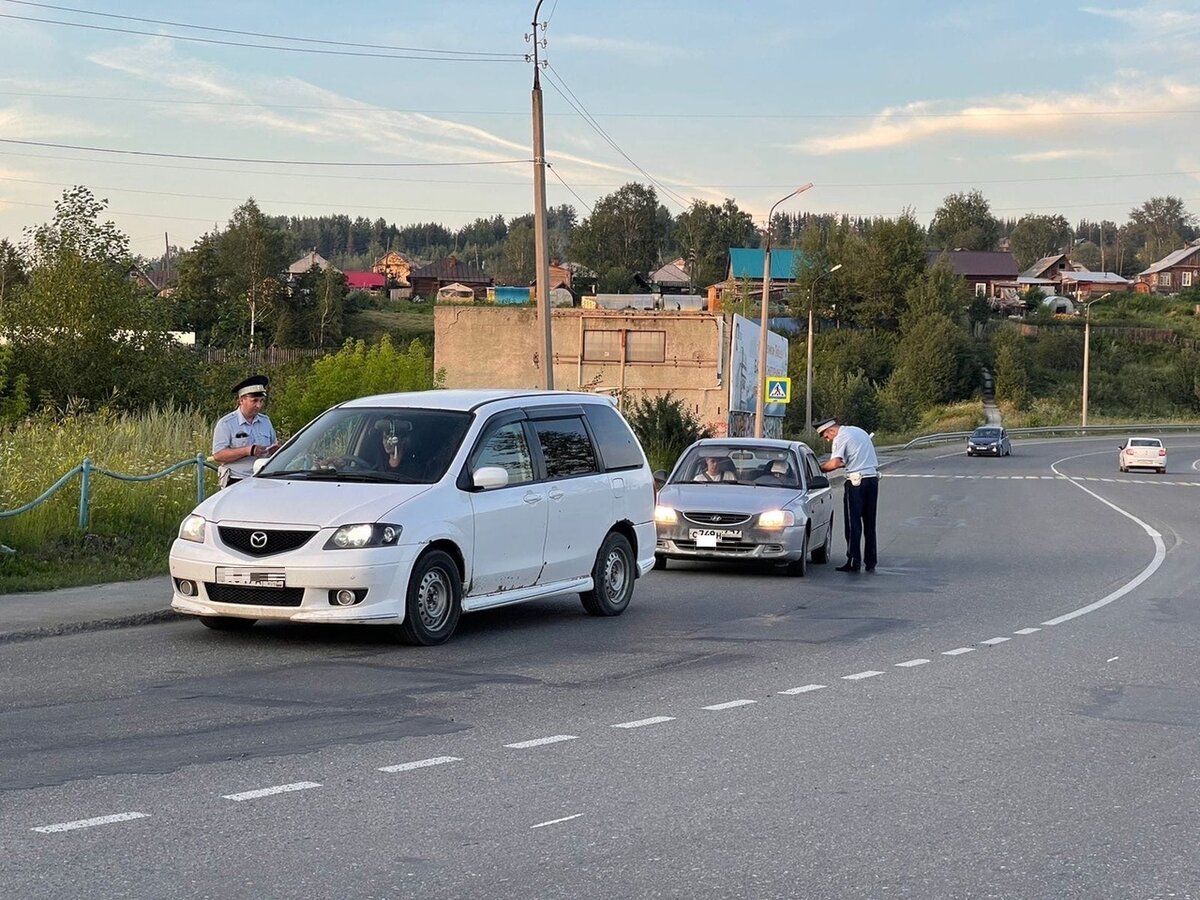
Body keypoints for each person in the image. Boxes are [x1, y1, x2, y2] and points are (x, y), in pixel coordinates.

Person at [816, 418, 879, 573]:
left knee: (853, 524)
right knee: (870, 523)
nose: (827, 439)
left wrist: (818, 469)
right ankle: (871, 561)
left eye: (825, 436)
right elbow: (855, 457)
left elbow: (834, 464)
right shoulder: (858, 431)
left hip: (856, 483)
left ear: (831, 430)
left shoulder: (840, 437)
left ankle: (853, 560)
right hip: (872, 479)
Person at [212, 375, 279, 489]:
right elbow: (218, 455)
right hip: (236, 480)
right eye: (254, 401)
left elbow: (274, 445)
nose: (259, 405)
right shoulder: (226, 423)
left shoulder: (265, 421)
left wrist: (276, 450)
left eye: (261, 401)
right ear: (241, 400)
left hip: (263, 479)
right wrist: (247, 451)